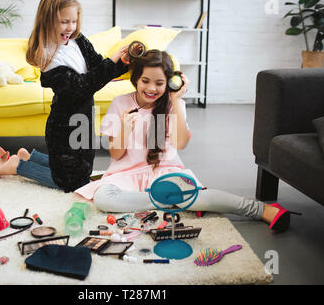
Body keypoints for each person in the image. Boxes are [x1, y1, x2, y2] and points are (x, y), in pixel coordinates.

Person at [74, 49, 301, 232]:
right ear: (136, 79)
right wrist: (124, 129)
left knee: (192, 195)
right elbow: (115, 155)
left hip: (166, 173)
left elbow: (181, 144)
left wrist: (175, 101)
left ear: (170, 83)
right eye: (145, 81)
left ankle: (261, 209)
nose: (151, 88)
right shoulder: (120, 102)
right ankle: (178, 201)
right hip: (126, 174)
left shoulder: (174, 103)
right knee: (104, 199)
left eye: (159, 83)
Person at [0, 0, 128, 192]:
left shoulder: (78, 40)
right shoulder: (48, 55)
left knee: (83, 171)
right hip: (64, 125)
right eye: (64, 22)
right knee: (72, 182)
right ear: (48, 20)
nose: (70, 27)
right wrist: (112, 61)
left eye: (74, 21)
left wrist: (122, 62)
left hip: (85, 117)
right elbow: (82, 85)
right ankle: (17, 166)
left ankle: (28, 157)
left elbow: (96, 66)